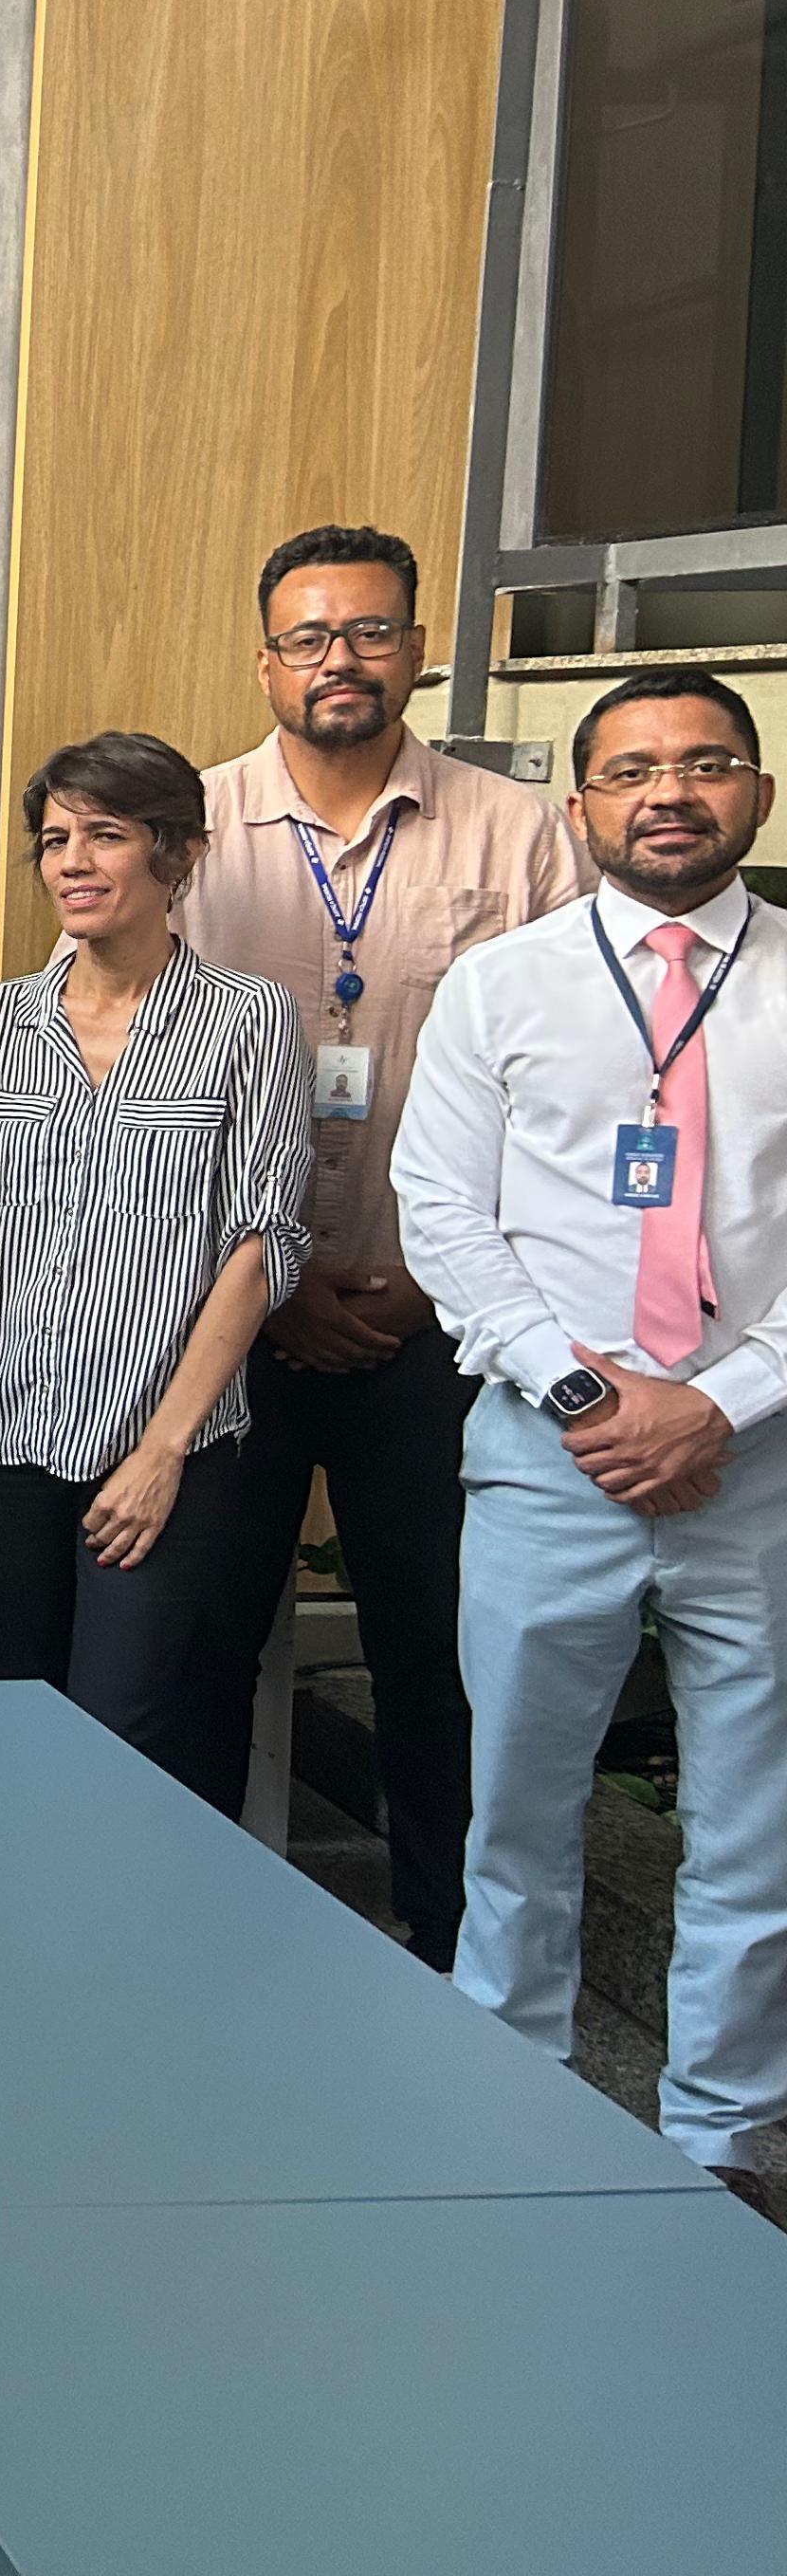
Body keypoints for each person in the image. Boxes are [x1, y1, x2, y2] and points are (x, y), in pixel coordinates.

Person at [396, 667, 787, 2214]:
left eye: (703, 763)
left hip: (752, 1468)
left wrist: (718, 1402)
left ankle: (721, 2136)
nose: (667, 792)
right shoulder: (502, 983)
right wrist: (583, 1394)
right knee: (516, 1803)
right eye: (630, 769)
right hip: (546, 1455)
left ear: (752, 788)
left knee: (752, 1822)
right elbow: (443, 1209)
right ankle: (509, 2100)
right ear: (582, 806)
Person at [173, 524, 588, 1963]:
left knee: (442, 1651)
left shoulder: (518, 834)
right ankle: (191, 1945)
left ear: (417, 647)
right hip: (232, 1316)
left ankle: (453, 1953)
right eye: (307, 636)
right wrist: (273, 1295)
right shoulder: (191, 829)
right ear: (265, 658)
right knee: (202, 1643)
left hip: (443, 1320)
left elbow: (573, 1081)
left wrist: (431, 1281)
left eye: (367, 632)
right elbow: (140, 1083)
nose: (336, 660)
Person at [0, 732, 310, 1797]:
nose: (74, 863)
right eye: (55, 840)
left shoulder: (248, 1018)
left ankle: (110, 1954)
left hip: (161, 1447)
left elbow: (265, 1241)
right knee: (11, 1714)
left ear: (178, 855)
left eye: (106, 835)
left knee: (120, 1743)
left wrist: (162, 1451)